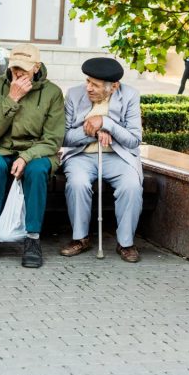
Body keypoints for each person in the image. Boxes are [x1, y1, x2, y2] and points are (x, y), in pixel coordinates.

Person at [0, 43, 65, 268]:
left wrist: (27, 156)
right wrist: (12, 99)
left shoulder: (52, 93)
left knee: (36, 171)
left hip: (37, 150)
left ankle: (32, 239)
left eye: (23, 70)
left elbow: (53, 140)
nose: (17, 73)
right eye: (14, 67)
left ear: (36, 67)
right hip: (0, 147)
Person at [61, 57, 144, 262]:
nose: (88, 87)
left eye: (95, 85)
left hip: (118, 155)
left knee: (131, 186)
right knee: (77, 184)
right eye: (88, 81)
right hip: (81, 155)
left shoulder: (130, 95)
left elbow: (134, 140)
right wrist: (93, 131)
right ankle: (80, 238)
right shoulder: (73, 94)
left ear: (113, 87)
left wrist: (107, 123)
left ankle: (126, 243)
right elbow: (63, 137)